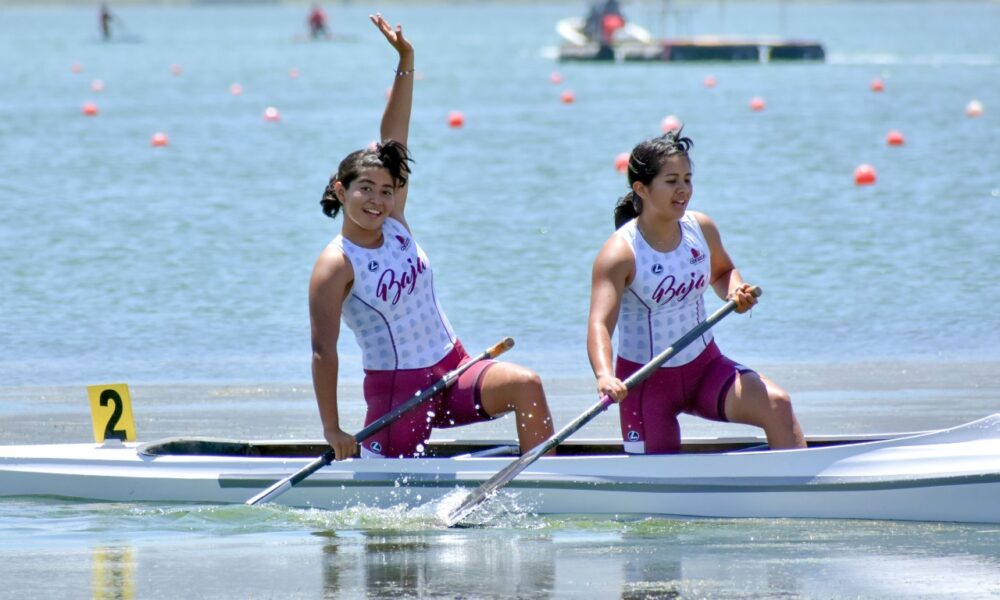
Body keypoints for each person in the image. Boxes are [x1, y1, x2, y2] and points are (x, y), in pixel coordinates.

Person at [311, 14, 555, 461]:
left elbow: (394, 142)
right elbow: (323, 351)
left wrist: (407, 60)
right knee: (392, 517)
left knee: (527, 385)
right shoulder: (336, 263)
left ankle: (547, 487)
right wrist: (333, 429)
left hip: (453, 368)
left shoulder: (396, 224)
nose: (378, 200)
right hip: (398, 392)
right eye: (366, 189)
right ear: (342, 191)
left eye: (387, 191)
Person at [587, 130, 806, 454]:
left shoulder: (700, 228)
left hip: (705, 367)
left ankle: (798, 494)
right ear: (641, 189)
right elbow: (599, 326)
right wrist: (605, 376)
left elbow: (722, 272)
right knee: (657, 485)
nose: (683, 190)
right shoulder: (620, 253)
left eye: (688, 179)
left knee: (777, 404)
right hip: (645, 384)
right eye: (672, 181)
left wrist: (735, 291)